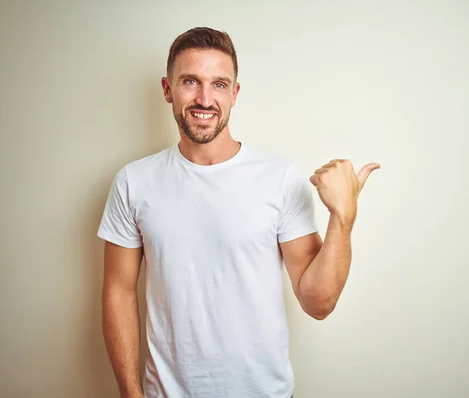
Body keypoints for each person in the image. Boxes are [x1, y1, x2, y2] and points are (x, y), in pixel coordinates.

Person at [97, 26, 380, 398]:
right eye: (190, 82)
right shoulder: (133, 182)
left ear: (234, 93)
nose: (204, 98)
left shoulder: (279, 179)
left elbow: (318, 303)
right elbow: (118, 293)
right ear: (167, 89)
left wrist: (342, 218)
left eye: (218, 84)